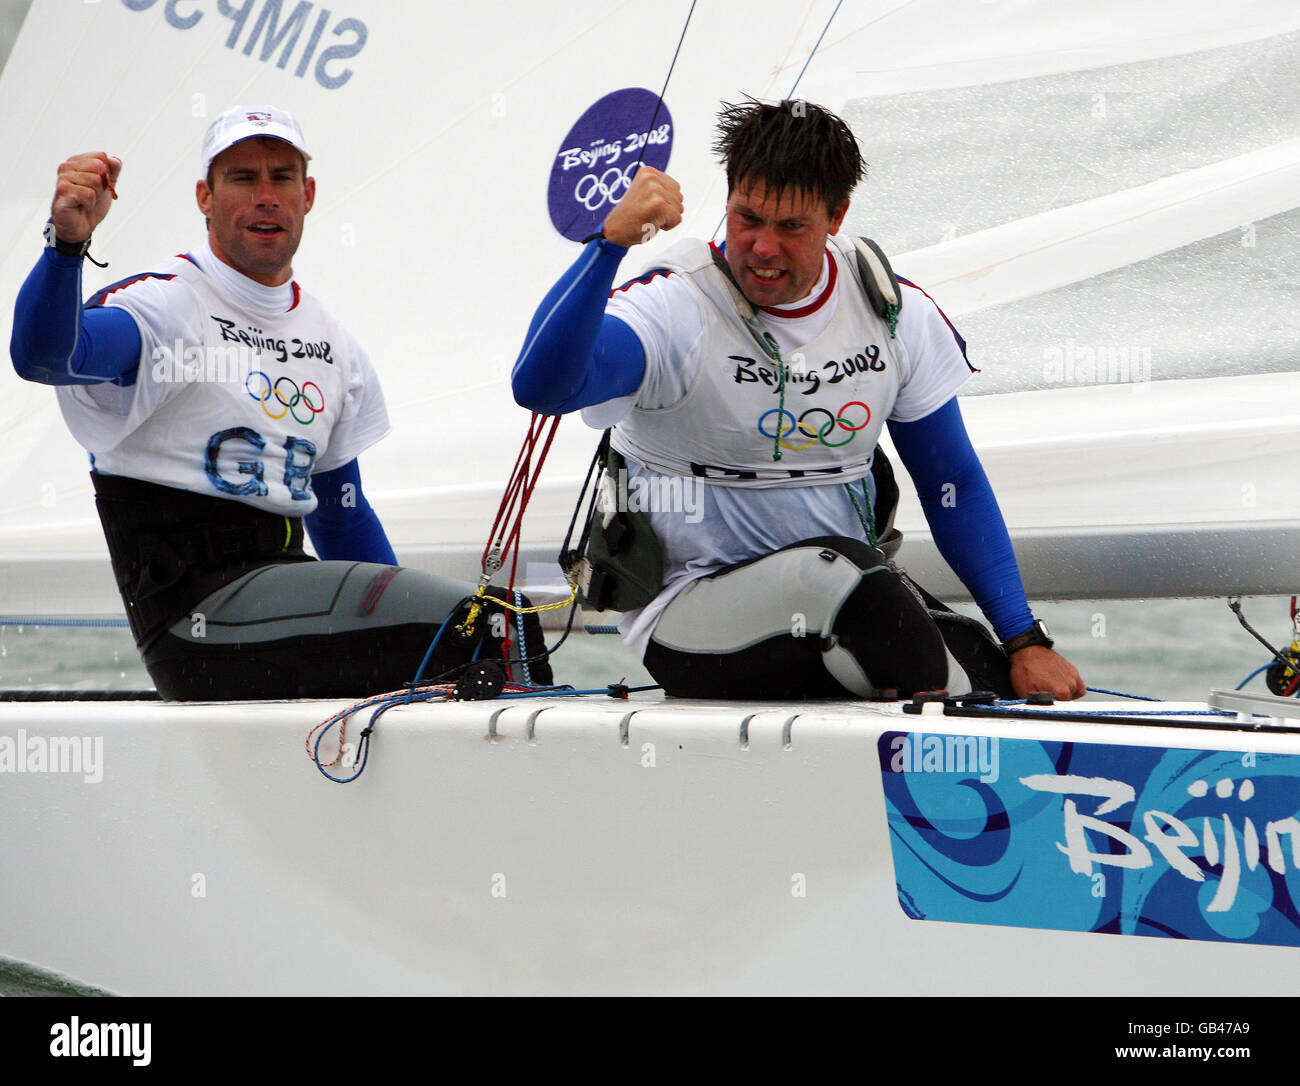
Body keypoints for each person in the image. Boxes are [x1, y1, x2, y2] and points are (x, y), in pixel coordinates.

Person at [512, 98, 1082, 701]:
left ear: (836, 216)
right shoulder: (674, 308)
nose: (761, 247)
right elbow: (541, 387)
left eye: (790, 228)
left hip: (851, 604)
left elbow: (953, 481)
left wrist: (1024, 640)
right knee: (849, 586)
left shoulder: (892, 313)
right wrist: (608, 245)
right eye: (747, 218)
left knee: (1002, 679)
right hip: (692, 620)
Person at [11, 104, 550, 700]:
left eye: (281, 177)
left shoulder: (334, 346)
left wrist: (418, 618)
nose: (265, 195)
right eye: (242, 178)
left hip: (286, 608)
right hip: (195, 629)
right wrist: (67, 245)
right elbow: (44, 358)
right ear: (204, 198)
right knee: (490, 629)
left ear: (308, 194)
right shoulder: (166, 306)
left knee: (500, 628)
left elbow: (342, 519)